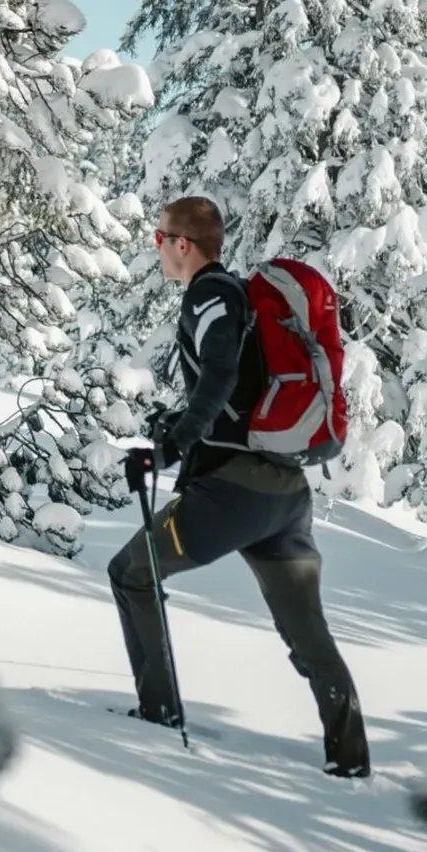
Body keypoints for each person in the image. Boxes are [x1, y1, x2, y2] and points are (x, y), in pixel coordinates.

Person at [109, 195, 372, 779]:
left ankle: (158, 714)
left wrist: (174, 444)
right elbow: (232, 391)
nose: (156, 249)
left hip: (235, 494)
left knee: (131, 572)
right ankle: (351, 758)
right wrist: (175, 428)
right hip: (284, 494)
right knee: (307, 634)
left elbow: (222, 371)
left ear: (182, 244)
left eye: (159, 238)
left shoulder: (208, 294)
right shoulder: (240, 297)